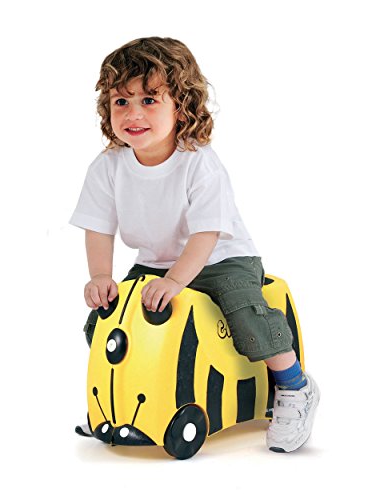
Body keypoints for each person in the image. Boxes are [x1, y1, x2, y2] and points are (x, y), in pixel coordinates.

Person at [69, 36, 320, 453]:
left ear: (181, 107)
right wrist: (100, 276)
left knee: (244, 312)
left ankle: (294, 386)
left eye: (149, 100)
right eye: (121, 101)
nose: (133, 113)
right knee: (108, 320)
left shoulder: (199, 162)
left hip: (222, 259)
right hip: (155, 262)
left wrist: (175, 281)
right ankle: (122, 399)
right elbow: (98, 227)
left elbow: (206, 235)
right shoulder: (107, 167)